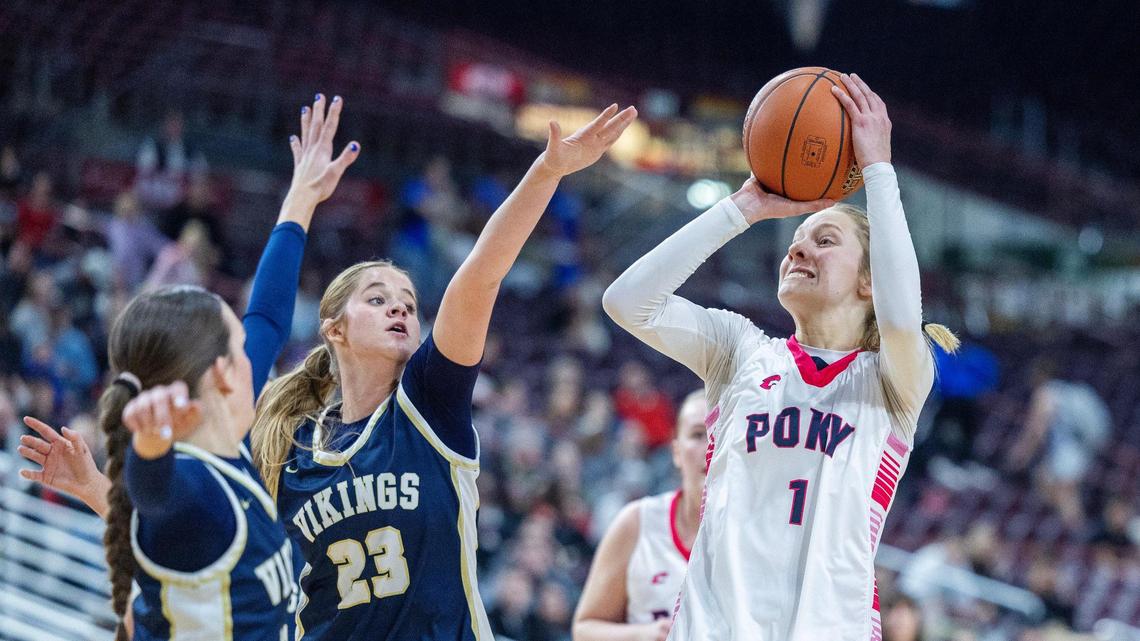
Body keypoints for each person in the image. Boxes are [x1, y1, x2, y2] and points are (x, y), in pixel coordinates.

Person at [250, 101, 636, 641]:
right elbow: (260, 326)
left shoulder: (427, 403)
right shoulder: (289, 444)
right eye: (379, 299)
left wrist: (547, 171)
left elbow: (478, 278)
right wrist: (299, 199)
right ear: (334, 329)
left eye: (408, 302)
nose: (400, 309)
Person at [602, 73, 958, 641]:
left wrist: (878, 170)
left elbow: (899, 318)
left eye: (824, 240)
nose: (797, 247)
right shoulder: (741, 351)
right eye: (798, 238)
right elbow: (626, 302)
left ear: (869, 281)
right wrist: (741, 207)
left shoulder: (891, 381)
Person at [24, 287, 297, 641]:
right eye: (239, 346)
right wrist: (149, 446)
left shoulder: (220, 463)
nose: (252, 358)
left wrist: (92, 486)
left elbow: (266, 324)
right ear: (221, 371)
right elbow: (160, 499)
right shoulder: (194, 482)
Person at [573, 390, 708, 641]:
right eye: (698, 434)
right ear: (676, 452)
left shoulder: (765, 531)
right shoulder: (637, 522)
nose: (711, 445)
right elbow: (585, 630)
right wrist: (642, 635)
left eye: (722, 433)